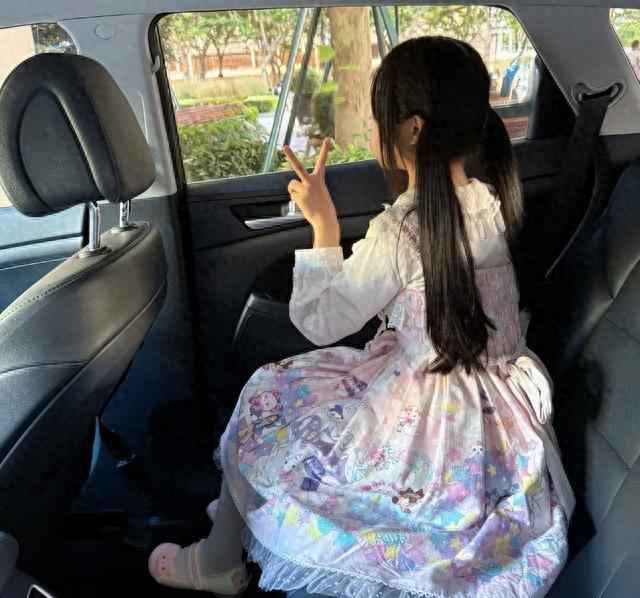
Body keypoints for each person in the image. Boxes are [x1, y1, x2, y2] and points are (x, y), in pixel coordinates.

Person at [148, 36, 574, 598]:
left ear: (412, 129)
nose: (371, 131)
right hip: (497, 413)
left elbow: (320, 321)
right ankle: (248, 508)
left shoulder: (400, 231)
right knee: (296, 403)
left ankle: (218, 559)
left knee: (269, 395)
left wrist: (323, 226)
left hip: (430, 417)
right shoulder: (488, 202)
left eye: (377, 118)